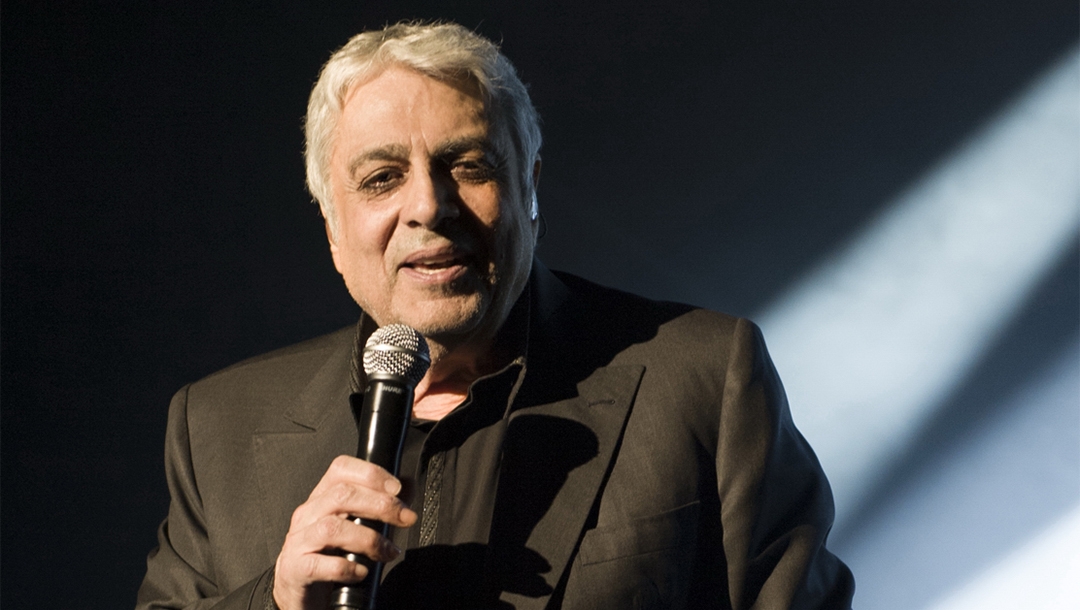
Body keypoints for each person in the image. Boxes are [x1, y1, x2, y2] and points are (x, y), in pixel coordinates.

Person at [136, 21, 855, 610]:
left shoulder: (705, 378)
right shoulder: (218, 426)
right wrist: (278, 600)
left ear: (530, 190)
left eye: (470, 166)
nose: (428, 207)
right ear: (331, 225)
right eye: (382, 178)